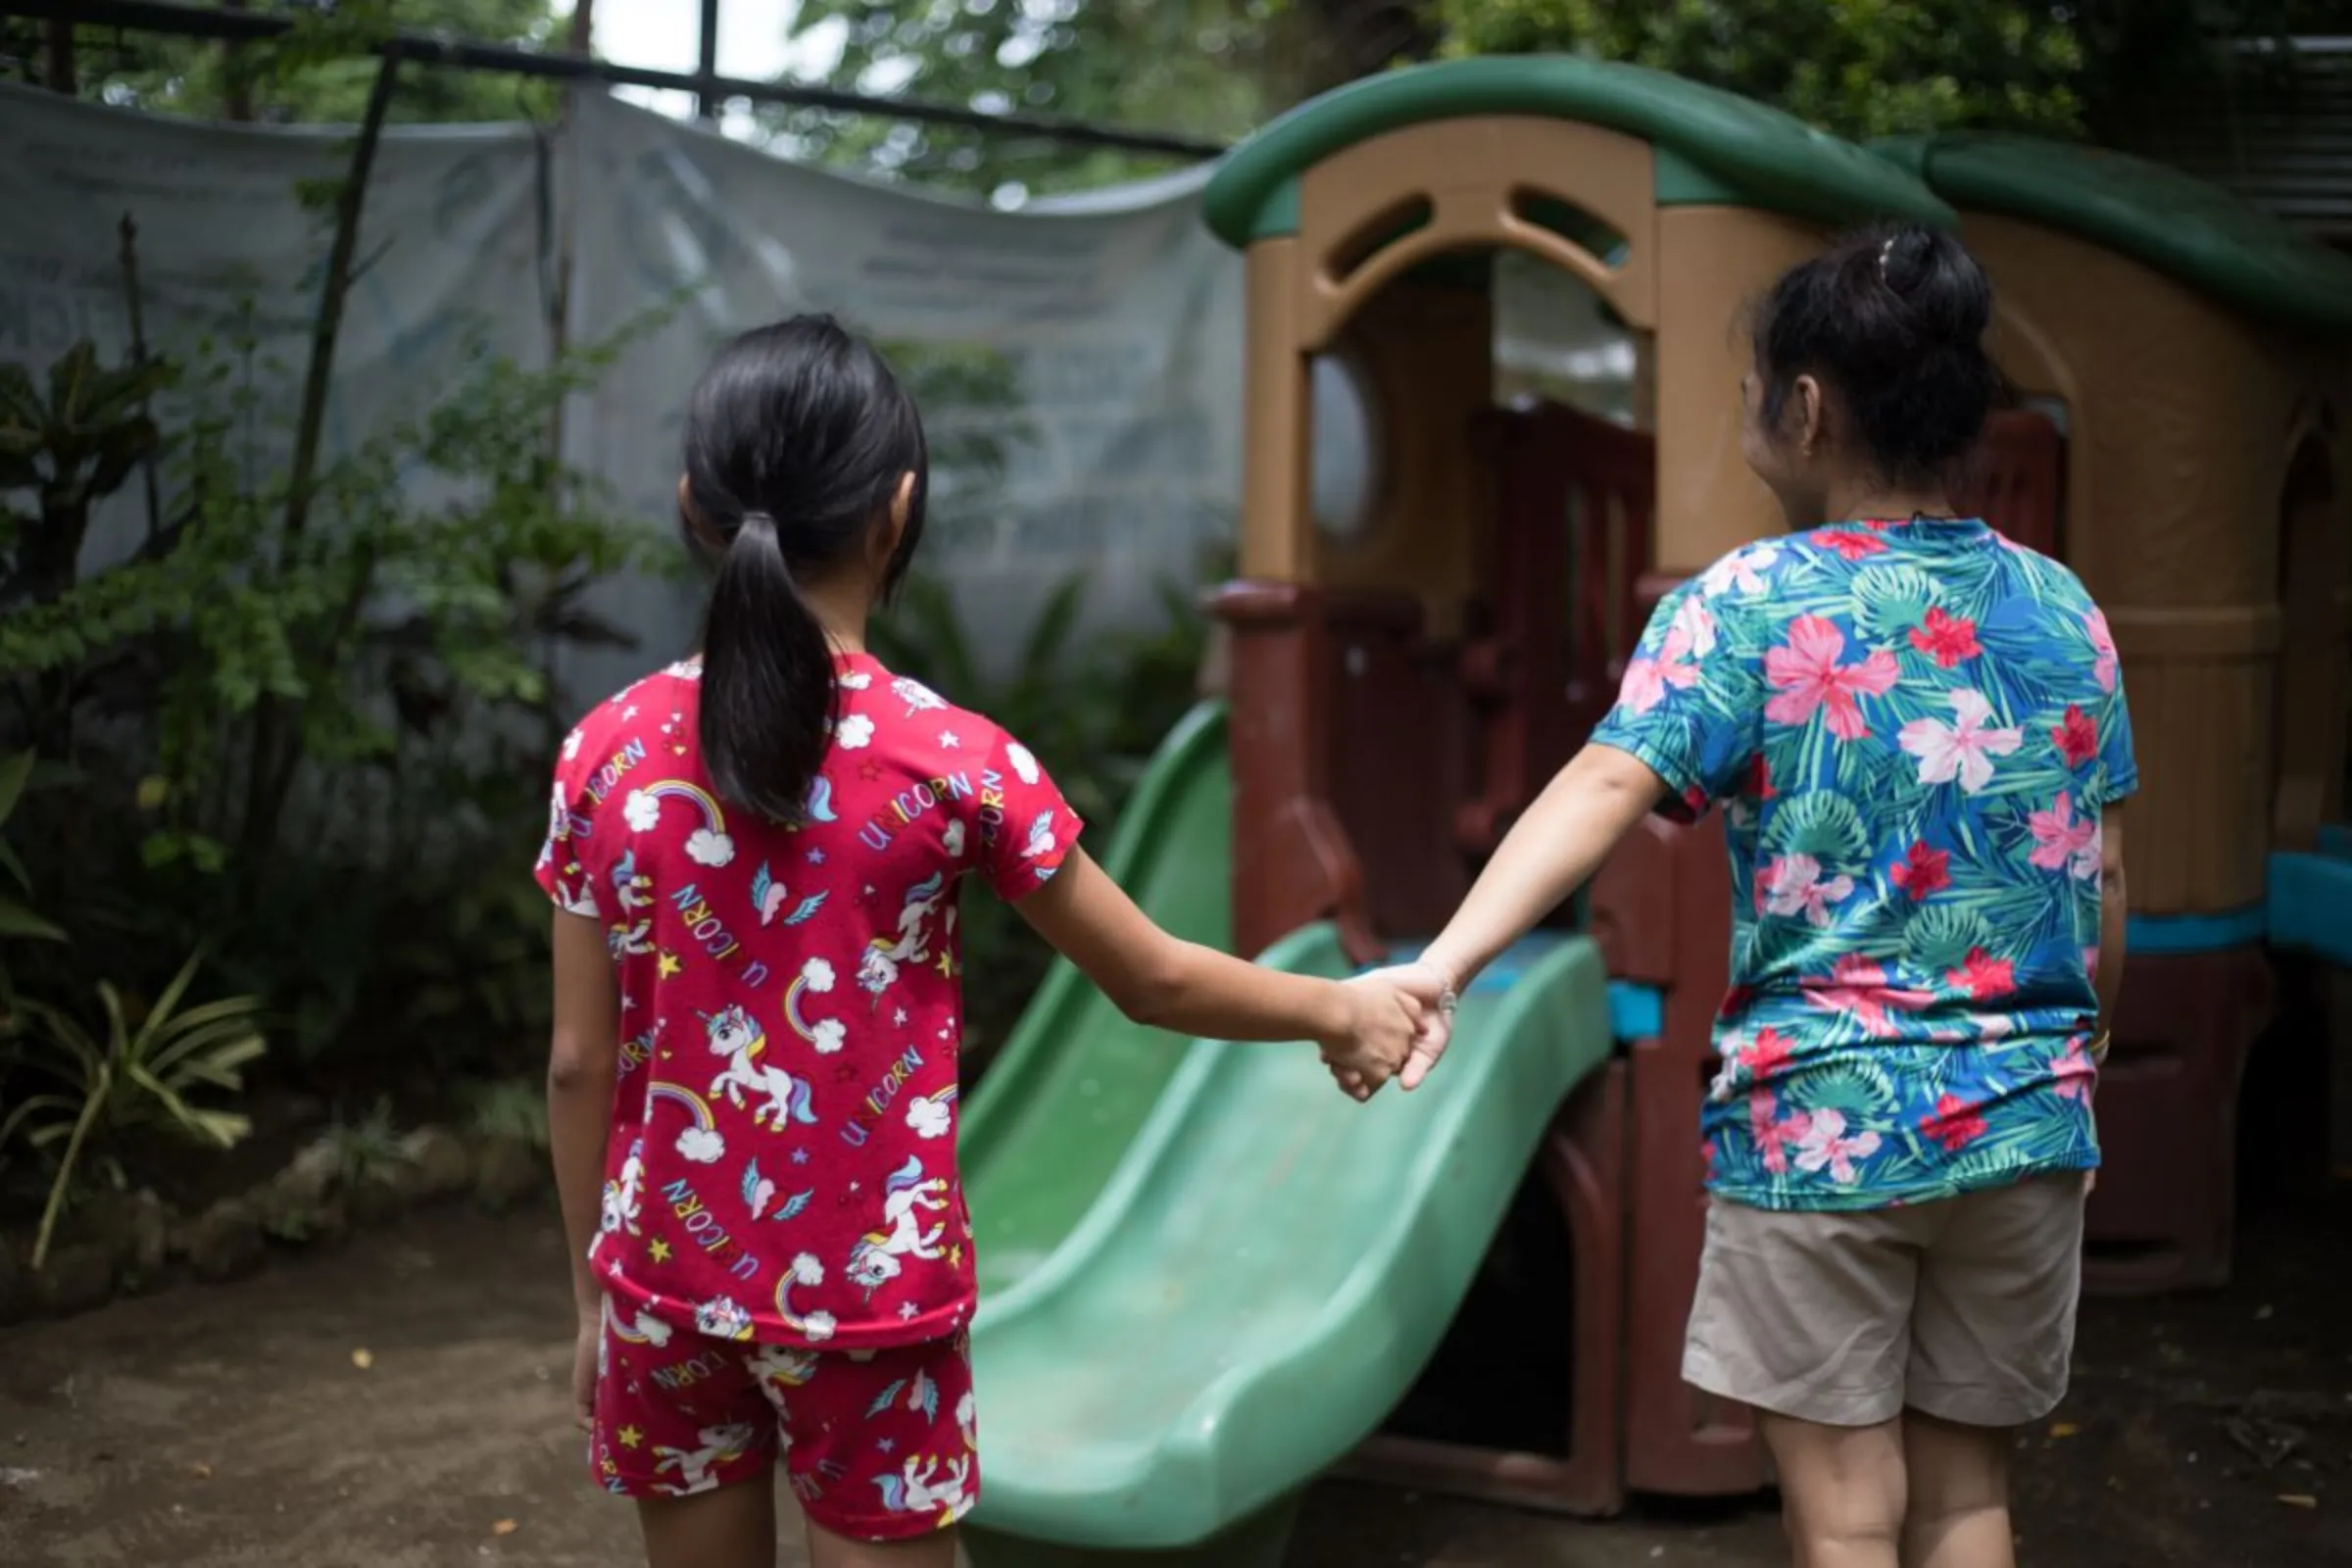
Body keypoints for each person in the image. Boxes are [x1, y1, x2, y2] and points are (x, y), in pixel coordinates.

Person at [535, 316, 1426, 1568]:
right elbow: (1153, 978)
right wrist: (1343, 1008)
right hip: (867, 1308)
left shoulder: (606, 752)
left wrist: (592, 1302)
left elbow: (583, 1059)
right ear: (896, 512)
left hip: (662, 1287)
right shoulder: (953, 761)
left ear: (693, 504)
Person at [1388, 226, 2134, 1568]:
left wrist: (1439, 964)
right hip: (2028, 1118)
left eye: (1751, 390)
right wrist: (2075, 1064)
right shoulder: (2062, 607)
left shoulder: (1745, 604)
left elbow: (1603, 789)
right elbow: (2106, 874)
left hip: (1826, 1126)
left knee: (1847, 1516)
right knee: (1970, 1498)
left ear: (1805, 406)